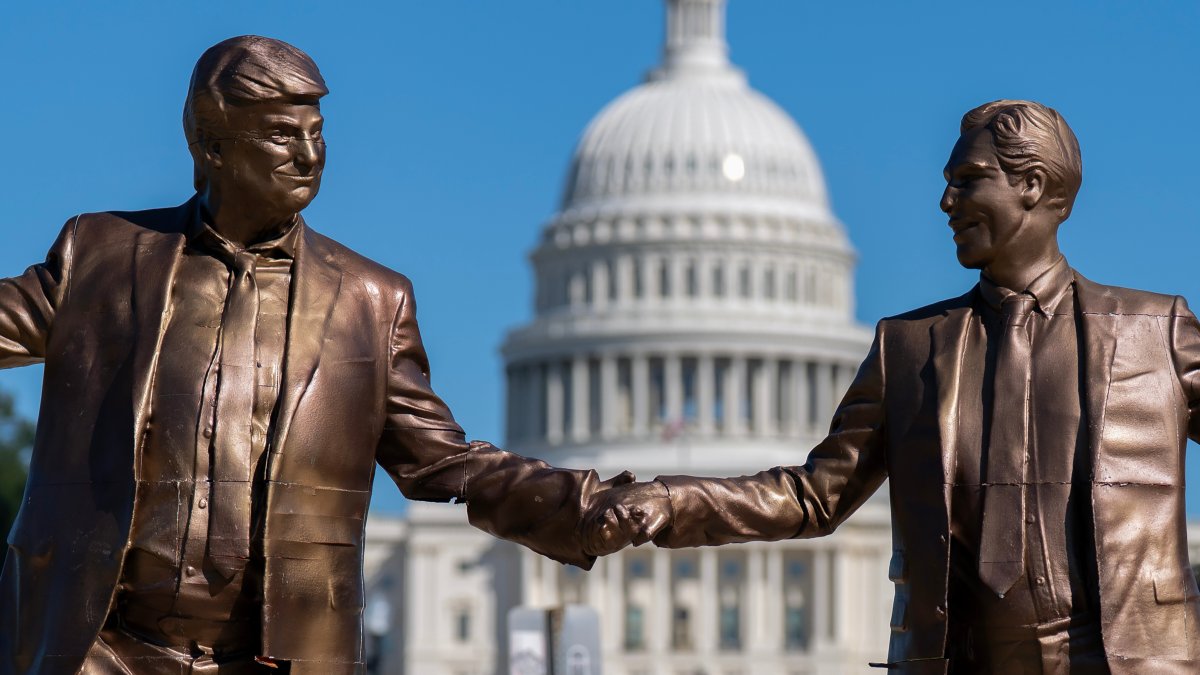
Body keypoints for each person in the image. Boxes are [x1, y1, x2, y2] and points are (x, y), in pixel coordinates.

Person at [0, 36, 624, 675]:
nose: (308, 157)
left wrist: (590, 505)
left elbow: (446, 465)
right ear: (211, 146)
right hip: (100, 651)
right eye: (279, 136)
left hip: (273, 658)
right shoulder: (101, 255)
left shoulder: (371, 300)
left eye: (317, 134)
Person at [583, 100, 1200, 674]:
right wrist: (669, 500)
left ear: (1032, 186)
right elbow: (814, 497)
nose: (945, 202)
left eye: (967, 180)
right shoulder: (909, 348)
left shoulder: (1155, 331)